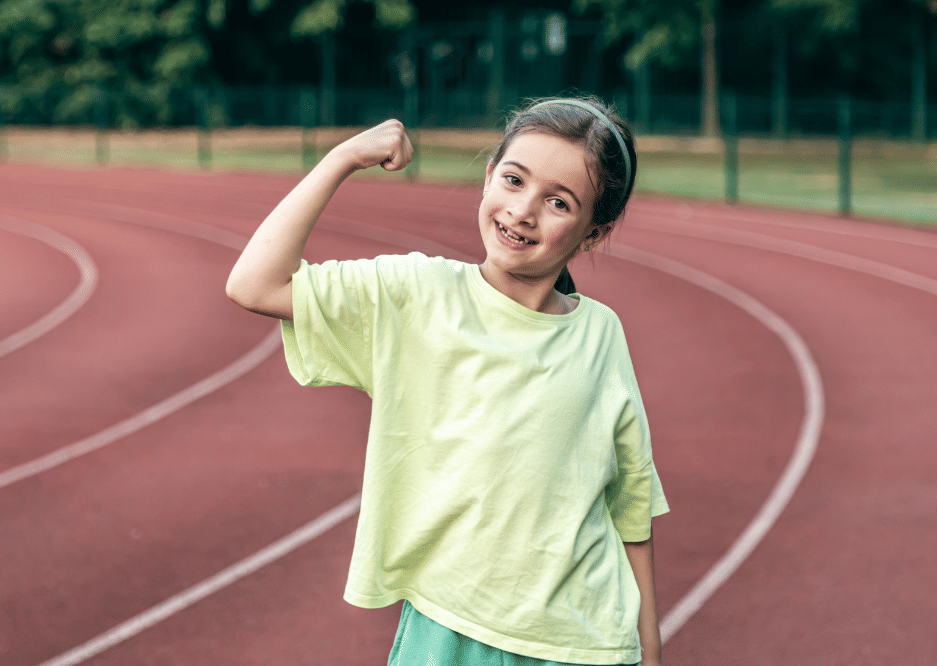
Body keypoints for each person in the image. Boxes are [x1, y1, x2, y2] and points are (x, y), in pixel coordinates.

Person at [226, 96, 669, 666]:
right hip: (448, 631)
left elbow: (629, 507)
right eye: (513, 180)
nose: (523, 210)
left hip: (584, 643)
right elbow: (254, 284)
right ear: (488, 178)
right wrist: (343, 158)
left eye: (559, 202)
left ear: (592, 231)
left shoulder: (601, 335)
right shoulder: (415, 293)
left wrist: (650, 649)